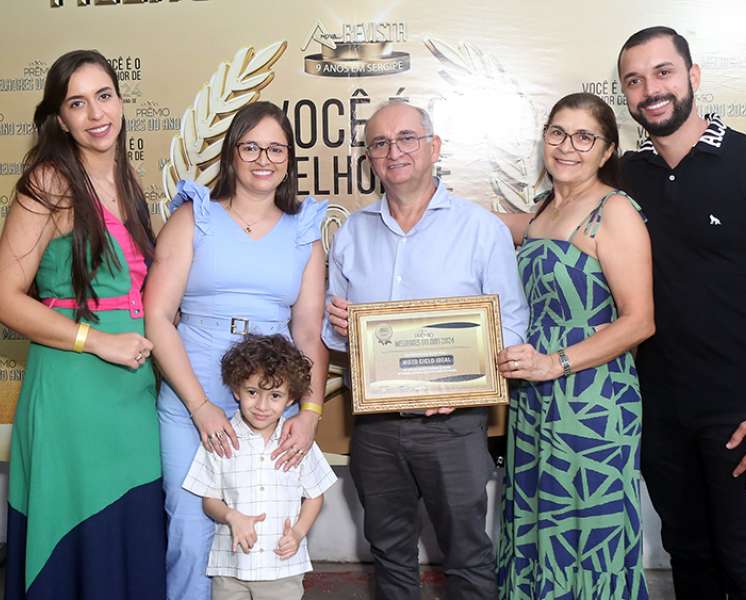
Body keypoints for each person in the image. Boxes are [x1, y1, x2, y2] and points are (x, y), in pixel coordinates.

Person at [618, 26, 746, 599]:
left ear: (693, 76)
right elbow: (543, 222)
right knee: (688, 558)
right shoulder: (623, 176)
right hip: (657, 408)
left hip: (743, 410)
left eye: (663, 72)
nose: (651, 90)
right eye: (634, 80)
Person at [324, 100, 529, 600]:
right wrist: (340, 326)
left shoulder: (480, 228)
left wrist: (463, 387)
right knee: (389, 551)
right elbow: (333, 336)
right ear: (369, 158)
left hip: (453, 423)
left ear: (434, 147)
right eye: (380, 143)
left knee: (467, 553)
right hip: (376, 426)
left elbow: (512, 324)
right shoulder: (351, 233)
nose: (394, 151)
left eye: (406, 138)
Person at [144, 101, 329, 600]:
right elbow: (157, 316)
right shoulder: (193, 218)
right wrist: (200, 405)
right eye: (251, 147)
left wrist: (310, 413)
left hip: (269, 400)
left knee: (263, 532)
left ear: (289, 160)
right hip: (192, 392)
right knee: (190, 529)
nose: (263, 159)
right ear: (231, 154)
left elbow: (308, 334)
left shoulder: (304, 232)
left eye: (275, 149)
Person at [0, 50, 166, 599]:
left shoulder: (127, 180)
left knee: (130, 535)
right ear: (60, 118)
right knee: (84, 542)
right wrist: (96, 342)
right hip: (74, 390)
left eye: (104, 96)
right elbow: (4, 297)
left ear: (120, 101)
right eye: (77, 103)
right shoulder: (50, 183)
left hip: (132, 393)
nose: (96, 113)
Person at [494, 93, 653, 599]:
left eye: (585, 137)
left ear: (607, 151)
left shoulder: (614, 211)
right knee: (537, 523)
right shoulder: (542, 212)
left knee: (588, 531)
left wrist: (554, 364)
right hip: (535, 399)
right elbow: (481, 225)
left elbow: (640, 322)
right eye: (558, 133)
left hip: (592, 404)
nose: (568, 146)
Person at [182, 334, 337, 600]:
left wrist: (298, 532)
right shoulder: (222, 438)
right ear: (237, 390)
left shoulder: (297, 442)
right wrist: (232, 516)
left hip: (282, 567)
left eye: (275, 395)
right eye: (252, 392)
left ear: (290, 399)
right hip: (231, 569)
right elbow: (210, 499)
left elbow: (315, 496)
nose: (262, 406)